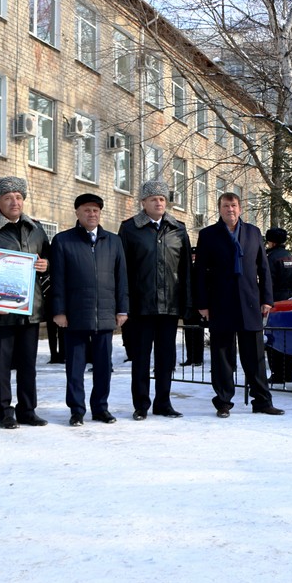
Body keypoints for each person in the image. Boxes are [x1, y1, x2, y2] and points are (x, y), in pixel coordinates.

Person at [193, 192, 285, 418]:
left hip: (250, 302)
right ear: (220, 209)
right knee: (222, 356)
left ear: (240, 208)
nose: (230, 210)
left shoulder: (253, 233)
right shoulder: (208, 235)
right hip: (220, 302)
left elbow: (263, 268)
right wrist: (202, 303)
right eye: (225, 206)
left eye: (233, 205)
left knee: (255, 356)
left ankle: (262, 401)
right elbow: (199, 273)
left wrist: (267, 299)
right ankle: (223, 402)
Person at [0, 176, 50, 429]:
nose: (14, 202)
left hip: (30, 309)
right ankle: (4, 411)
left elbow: (48, 262)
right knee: (2, 365)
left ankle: (28, 409)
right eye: (8, 198)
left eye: (18, 197)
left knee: (28, 364)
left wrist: (45, 265)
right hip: (2, 310)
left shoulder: (36, 229)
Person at [50, 193, 128, 426]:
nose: (92, 214)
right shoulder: (63, 240)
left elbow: (121, 278)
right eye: (86, 210)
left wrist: (122, 309)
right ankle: (76, 410)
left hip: (105, 314)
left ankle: (100, 408)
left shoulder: (113, 241)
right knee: (75, 367)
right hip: (75, 315)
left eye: (95, 210)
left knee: (104, 367)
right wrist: (59, 311)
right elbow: (58, 279)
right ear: (77, 213)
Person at [118, 180, 191, 420]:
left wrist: (186, 304)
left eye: (162, 199)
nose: (158, 202)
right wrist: (124, 304)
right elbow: (123, 270)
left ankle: (163, 403)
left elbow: (185, 270)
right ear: (143, 203)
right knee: (140, 358)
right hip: (141, 307)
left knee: (165, 358)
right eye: (153, 199)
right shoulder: (129, 229)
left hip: (169, 307)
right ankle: (141, 405)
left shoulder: (178, 229)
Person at [265, 227, 292, 384]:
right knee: (286, 337)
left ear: (271, 242)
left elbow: (268, 281)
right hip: (289, 299)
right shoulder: (290, 256)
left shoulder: (270, 258)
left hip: (274, 301)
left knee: (273, 339)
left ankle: (277, 374)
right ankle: (287, 373)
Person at [180, 247, 205, 366]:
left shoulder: (200, 268)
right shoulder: (186, 268)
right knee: (188, 333)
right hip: (188, 305)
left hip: (198, 305)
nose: (193, 257)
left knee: (198, 332)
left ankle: (198, 358)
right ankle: (190, 357)